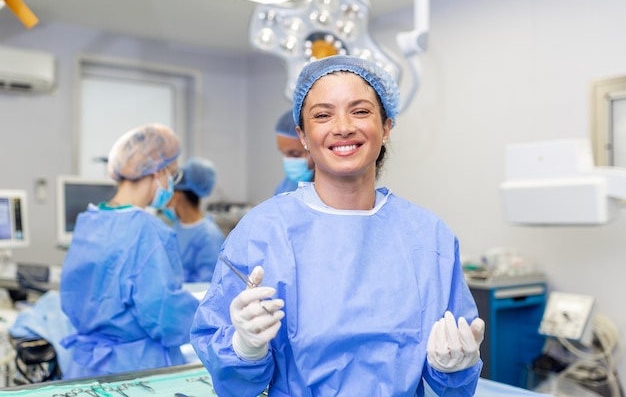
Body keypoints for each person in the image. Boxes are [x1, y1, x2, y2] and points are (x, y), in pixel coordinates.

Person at [190, 55, 485, 397]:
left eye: (360, 111)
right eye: (322, 115)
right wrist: (244, 349)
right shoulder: (262, 232)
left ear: (386, 126)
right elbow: (235, 384)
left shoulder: (429, 237)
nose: (343, 127)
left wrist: (455, 366)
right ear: (302, 135)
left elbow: (452, 387)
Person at [59, 123, 199, 379]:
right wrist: (207, 313)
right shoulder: (147, 232)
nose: (171, 183)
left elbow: (72, 295)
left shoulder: (89, 221)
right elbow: (165, 317)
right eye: (172, 174)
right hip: (135, 370)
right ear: (156, 172)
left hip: (84, 367)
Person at [162, 157, 225, 283]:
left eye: (168, 193)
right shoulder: (175, 229)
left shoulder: (209, 236)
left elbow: (207, 285)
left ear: (177, 196)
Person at [274, 109, 314, 195]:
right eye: (284, 153)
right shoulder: (287, 187)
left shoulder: (340, 187)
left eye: (295, 154)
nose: (288, 160)